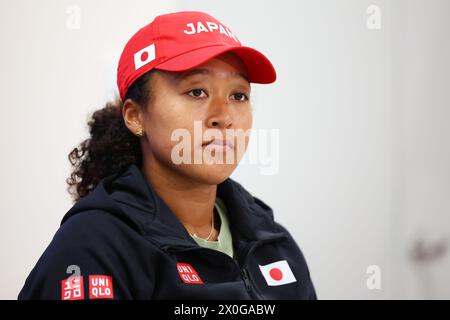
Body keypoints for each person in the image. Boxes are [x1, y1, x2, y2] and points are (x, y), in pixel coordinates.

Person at [18, 11, 317, 300]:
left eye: (238, 95)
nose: (224, 117)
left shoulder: (272, 242)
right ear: (136, 116)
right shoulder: (91, 249)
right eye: (197, 92)